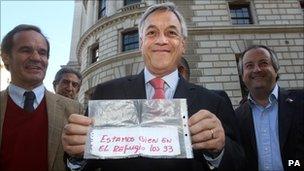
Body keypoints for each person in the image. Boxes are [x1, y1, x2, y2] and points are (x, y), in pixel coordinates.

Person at [62, 2, 244, 171]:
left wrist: (219, 150)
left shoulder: (214, 101)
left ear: (183, 45)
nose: (161, 40)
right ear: (141, 43)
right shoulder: (106, 93)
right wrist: (76, 156)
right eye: (152, 33)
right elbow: (86, 163)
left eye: (171, 33)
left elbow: (240, 163)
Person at [0, 24, 83, 171]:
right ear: (6, 57)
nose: (36, 58)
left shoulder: (74, 110)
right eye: (26, 50)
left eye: (42, 52)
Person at [235, 45, 304, 171]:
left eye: (263, 63)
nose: (257, 69)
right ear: (242, 75)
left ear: (275, 69)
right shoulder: (236, 117)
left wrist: (294, 164)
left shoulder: (300, 101)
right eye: (249, 66)